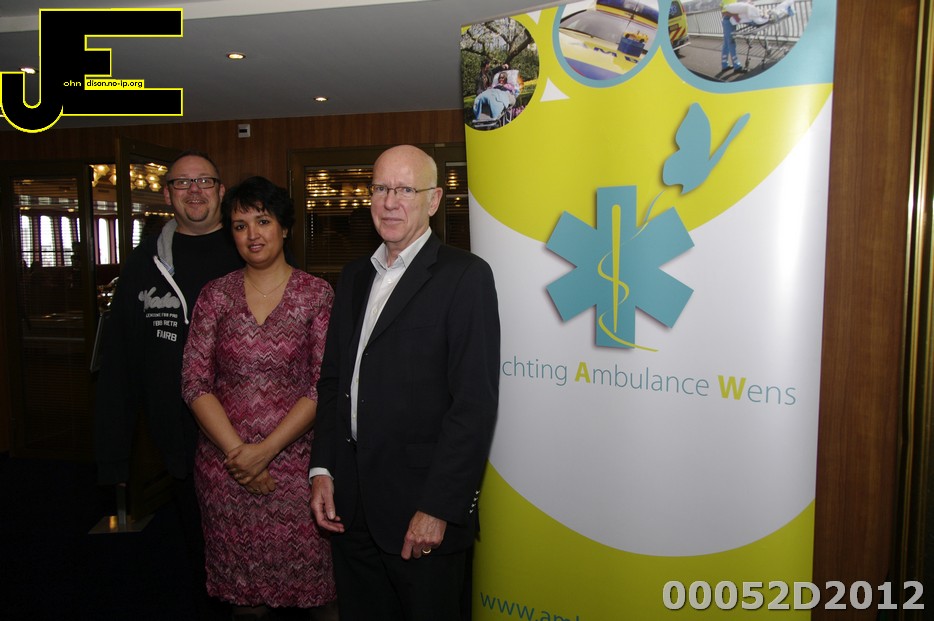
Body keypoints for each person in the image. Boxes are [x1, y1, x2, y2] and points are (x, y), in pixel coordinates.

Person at [309, 144, 501, 621]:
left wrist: (439, 507)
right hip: (350, 508)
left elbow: (473, 405)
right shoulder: (354, 276)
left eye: (405, 190)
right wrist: (323, 468)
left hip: (421, 512)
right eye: (380, 188)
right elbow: (333, 382)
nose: (390, 202)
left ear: (433, 200)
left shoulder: (465, 277)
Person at [93, 149, 243, 619]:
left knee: (257, 546)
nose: (194, 191)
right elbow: (120, 361)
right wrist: (113, 455)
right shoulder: (144, 265)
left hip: (253, 433)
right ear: (167, 194)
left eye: (205, 181)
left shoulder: (251, 248)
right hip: (179, 439)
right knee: (201, 550)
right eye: (182, 182)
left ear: (221, 191)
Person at [181, 177, 337, 620]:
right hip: (225, 468)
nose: (252, 234)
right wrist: (239, 455)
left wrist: (264, 452)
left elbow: (322, 386)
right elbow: (194, 382)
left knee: (317, 595)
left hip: (297, 470)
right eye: (240, 225)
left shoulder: (317, 295)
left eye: (263, 221)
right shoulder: (215, 296)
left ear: (284, 227)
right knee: (244, 599)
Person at [720, 0, 744, 71]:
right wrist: (735, 16)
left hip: (727, 20)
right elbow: (724, 12)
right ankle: (737, 66)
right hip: (729, 20)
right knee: (731, 43)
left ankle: (724, 64)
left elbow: (721, 7)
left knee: (726, 44)